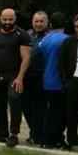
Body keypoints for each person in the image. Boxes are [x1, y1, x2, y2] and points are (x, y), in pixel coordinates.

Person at [0, 8, 31, 147]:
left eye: (10, 19)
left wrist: (20, 77)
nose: (7, 22)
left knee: (14, 100)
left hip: (14, 76)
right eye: (5, 19)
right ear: (1, 19)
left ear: (15, 19)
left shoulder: (22, 35)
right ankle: (1, 134)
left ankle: (14, 134)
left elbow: (26, 57)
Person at [35, 13, 68, 148]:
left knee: (49, 112)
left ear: (50, 24)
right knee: (60, 113)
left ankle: (45, 139)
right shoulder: (68, 40)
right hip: (61, 82)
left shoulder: (45, 40)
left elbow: (38, 56)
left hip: (47, 80)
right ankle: (55, 139)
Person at [59, 12, 78, 148]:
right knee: (72, 112)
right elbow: (61, 63)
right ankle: (72, 139)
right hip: (74, 82)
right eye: (77, 26)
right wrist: (66, 82)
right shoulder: (69, 42)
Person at [23, 12, 50, 145]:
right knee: (26, 107)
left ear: (46, 23)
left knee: (40, 108)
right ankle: (34, 132)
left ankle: (39, 135)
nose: (38, 24)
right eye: (36, 21)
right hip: (26, 77)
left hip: (42, 76)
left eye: (41, 21)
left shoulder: (49, 37)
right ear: (32, 22)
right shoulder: (27, 35)